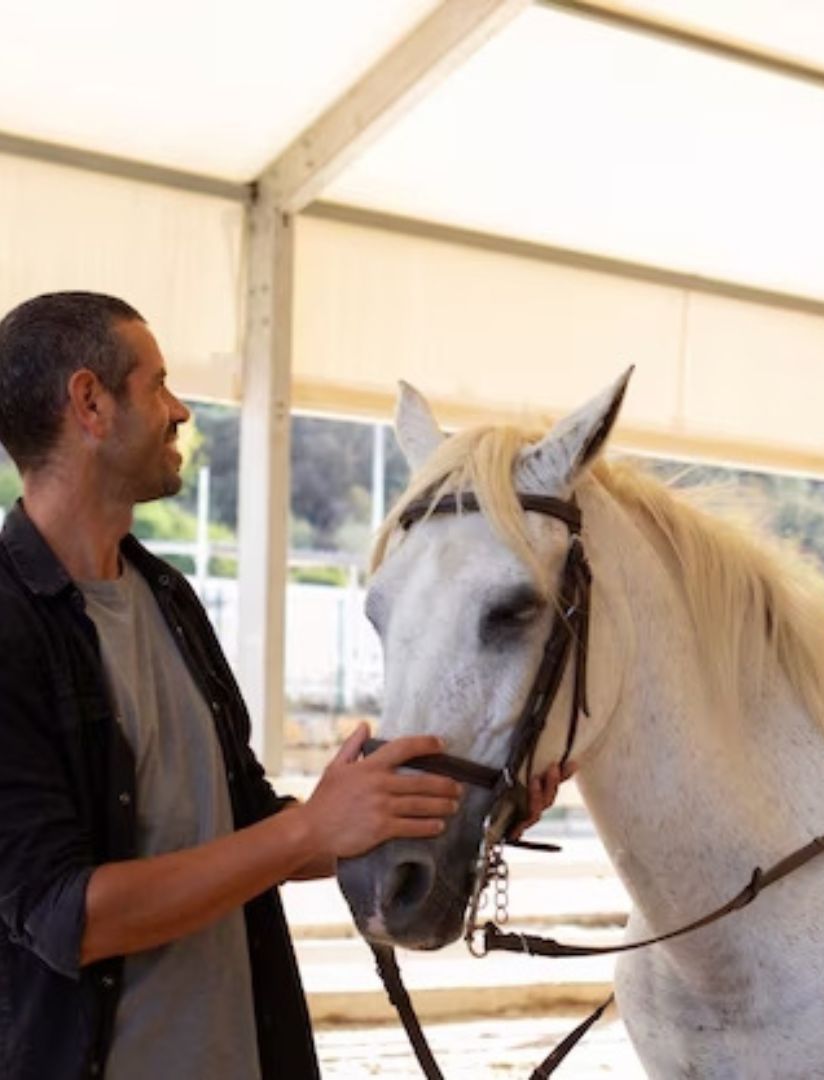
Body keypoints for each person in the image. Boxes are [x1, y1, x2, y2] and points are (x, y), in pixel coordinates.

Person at [0, 292, 481, 1080]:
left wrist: (421, 808)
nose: (180, 410)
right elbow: (68, 918)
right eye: (156, 385)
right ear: (90, 403)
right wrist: (308, 830)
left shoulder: (168, 598)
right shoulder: (10, 629)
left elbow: (248, 829)